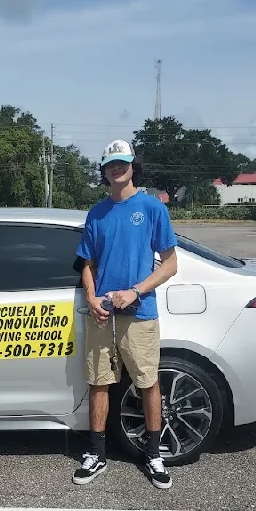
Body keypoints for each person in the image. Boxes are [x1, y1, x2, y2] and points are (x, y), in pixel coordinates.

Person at [73, 140, 178, 489]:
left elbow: (170, 265)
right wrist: (91, 295)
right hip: (102, 314)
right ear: (103, 170)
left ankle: (153, 453)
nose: (116, 169)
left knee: (148, 383)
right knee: (99, 382)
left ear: (133, 165)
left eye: (122, 162)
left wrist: (136, 291)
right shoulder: (97, 213)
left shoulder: (151, 208)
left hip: (140, 312)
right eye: (110, 164)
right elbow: (85, 263)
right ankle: (96, 453)